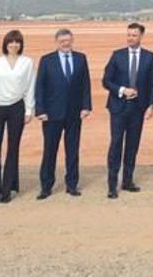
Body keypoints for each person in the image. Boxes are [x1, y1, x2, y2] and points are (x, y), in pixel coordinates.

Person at [102, 23, 153, 198]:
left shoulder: (149, 57)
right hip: (118, 108)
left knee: (132, 146)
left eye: (134, 35)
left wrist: (151, 105)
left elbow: (152, 83)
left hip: (138, 109)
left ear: (141, 36)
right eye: (128, 35)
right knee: (116, 144)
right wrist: (122, 90)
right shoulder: (117, 56)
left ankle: (127, 181)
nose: (130, 38)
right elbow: (106, 80)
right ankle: (112, 185)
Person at [0, 29, 36, 203]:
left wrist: (29, 110)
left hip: (17, 109)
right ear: (5, 44)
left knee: (13, 148)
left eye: (17, 42)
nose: (14, 45)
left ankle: (8, 188)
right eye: (11, 42)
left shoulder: (27, 62)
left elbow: (30, 87)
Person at [36, 29, 92, 198]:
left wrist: (86, 106)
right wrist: (40, 110)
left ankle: (72, 184)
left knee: (72, 150)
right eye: (62, 41)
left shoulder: (80, 58)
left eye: (68, 40)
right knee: (50, 151)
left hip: (74, 114)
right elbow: (40, 87)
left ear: (72, 40)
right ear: (56, 42)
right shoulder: (46, 60)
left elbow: (85, 84)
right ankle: (46, 186)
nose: (66, 43)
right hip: (52, 114)